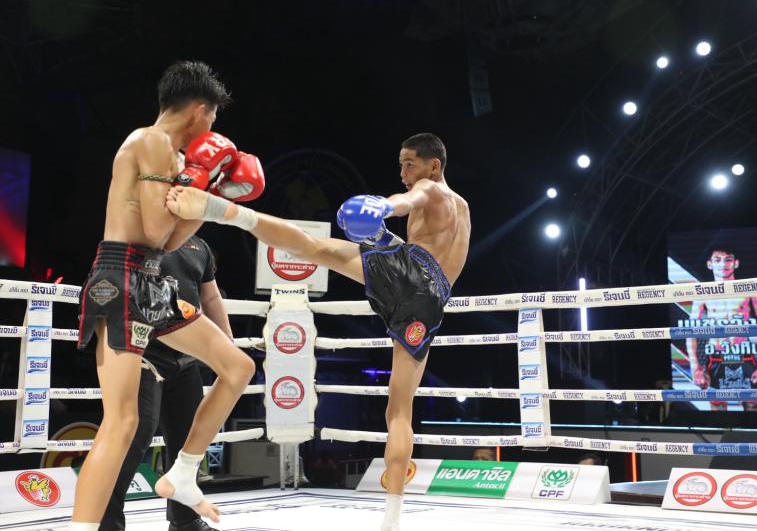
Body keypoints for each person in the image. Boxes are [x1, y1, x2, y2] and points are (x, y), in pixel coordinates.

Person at [165, 132, 471, 531]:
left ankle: (233, 213)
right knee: (400, 411)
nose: (403, 173)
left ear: (434, 164)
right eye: (400, 165)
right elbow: (426, 242)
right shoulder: (463, 209)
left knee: (315, 248)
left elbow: (408, 200)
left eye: (409, 164)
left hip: (410, 271)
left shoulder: (430, 188)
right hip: (432, 301)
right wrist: (382, 234)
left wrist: (382, 206)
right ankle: (392, 519)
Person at [73, 61, 262, 530]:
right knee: (122, 423)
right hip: (121, 276)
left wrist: (211, 193)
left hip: (152, 280)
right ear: (200, 110)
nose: (213, 126)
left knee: (238, 367)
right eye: (213, 116)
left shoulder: (177, 161)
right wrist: (204, 184)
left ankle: (182, 474)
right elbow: (158, 229)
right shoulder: (152, 141)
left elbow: (172, 241)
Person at [99, 235, 229, 531]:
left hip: (186, 356)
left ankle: (185, 521)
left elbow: (210, 297)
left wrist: (228, 347)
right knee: (134, 434)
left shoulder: (200, 247)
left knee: (188, 438)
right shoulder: (143, 236)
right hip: (142, 353)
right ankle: (106, 524)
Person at [685, 248, 757, 411]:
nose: (723, 264)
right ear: (709, 264)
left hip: (745, 356)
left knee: (754, 410)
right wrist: (694, 369)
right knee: (718, 412)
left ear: (736, 263)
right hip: (716, 357)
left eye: (728, 259)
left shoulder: (750, 290)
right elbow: (690, 333)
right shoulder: (702, 294)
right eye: (717, 260)